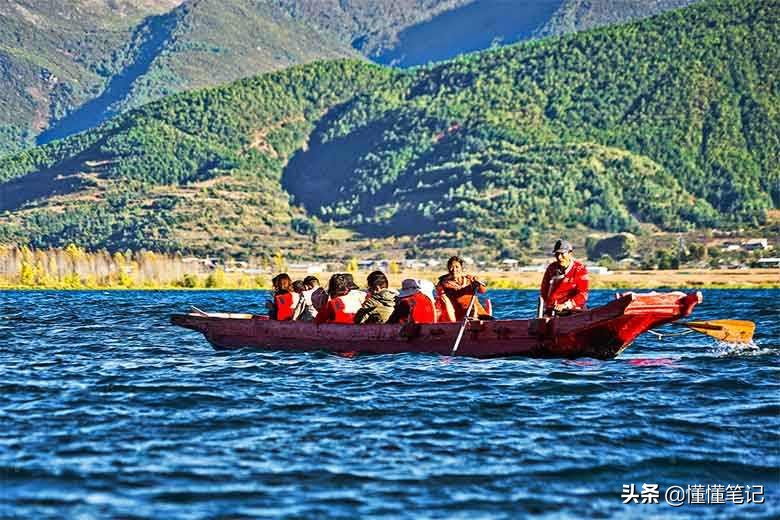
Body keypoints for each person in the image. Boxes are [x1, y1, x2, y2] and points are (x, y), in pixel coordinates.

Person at [540, 239, 589, 316]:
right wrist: (547, 306)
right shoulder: (551, 268)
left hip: (573, 310)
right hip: (553, 310)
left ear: (570, 253)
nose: (559, 257)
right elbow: (544, 290)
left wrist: (566, 305)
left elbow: (583, 294)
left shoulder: (580, 269)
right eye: (557, 254)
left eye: (562, 254)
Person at [436, 255, 488, 321]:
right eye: (451, 267)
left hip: (479, 312)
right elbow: (440, 299)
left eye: (457, 267)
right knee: (472, 315)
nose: (454, 270)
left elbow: (483, 291)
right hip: (461, 316)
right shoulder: (443, 283)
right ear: (448, 269)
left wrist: (477, 283)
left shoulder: (469, 279)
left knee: (489, 319)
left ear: (461, 268)